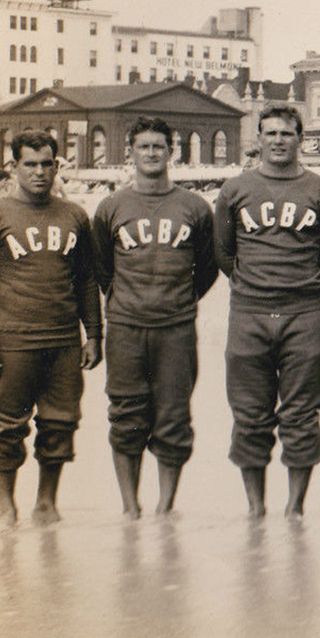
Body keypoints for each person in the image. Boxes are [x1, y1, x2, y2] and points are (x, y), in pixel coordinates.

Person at [0, 129, 102, 525]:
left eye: (47, 164)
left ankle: (46, 503)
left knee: (60, 422)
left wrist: (94, 334)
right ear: (13, 167)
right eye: (30, 164)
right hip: (12, 342)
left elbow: (87, 280)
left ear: (57, 166)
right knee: (6, 427)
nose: (39, 173)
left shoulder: (74, 215)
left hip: (63, 342)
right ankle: (6, 508)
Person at [213, 106, 320, 518]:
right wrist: (256, 288)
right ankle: (255, 507)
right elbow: (223, 253)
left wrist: (304, 292)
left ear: (299, 139)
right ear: (258, 138)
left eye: (286, 133)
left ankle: (294, 508)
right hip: (249, 313)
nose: (277, 140)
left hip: (303, 313)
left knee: (302, 413)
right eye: (269, 133)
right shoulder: (235, 189)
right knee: (250, 413)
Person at [92, 116, 219, 518]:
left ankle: (166, 506)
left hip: (176, 328)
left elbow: (208, 266)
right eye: (143, 146)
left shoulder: (195, 207)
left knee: (174, 416)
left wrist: (178, 299)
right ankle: (130, 507)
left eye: (158, 147)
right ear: (130, 152)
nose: (151, 153)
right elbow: (101, 270)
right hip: (126, 328)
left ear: (172, 151)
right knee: (126, 415)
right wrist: (129, 301)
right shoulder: (111, 207)